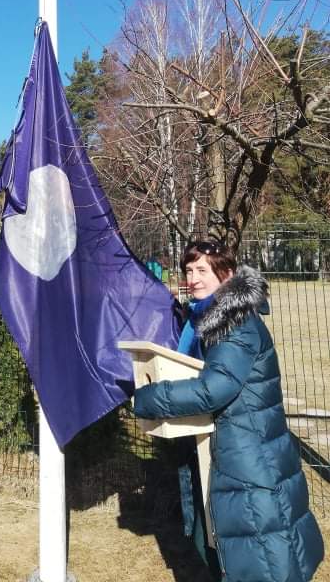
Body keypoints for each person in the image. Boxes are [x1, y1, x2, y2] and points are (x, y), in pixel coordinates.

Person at [133, 240, 324, 582]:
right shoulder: (204, 317)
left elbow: (213, 389)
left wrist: (146, 398)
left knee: (260, 547)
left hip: (247, 451)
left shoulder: (233, 323)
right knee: (249, 543)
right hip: (234, 444)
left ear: (227, 274)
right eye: (189, 270)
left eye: (202, 270)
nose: (193, 278)